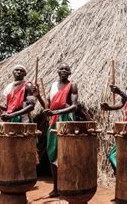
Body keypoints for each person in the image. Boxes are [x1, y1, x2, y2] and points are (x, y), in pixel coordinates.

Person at [40, 63, 78, 198]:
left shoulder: (72, 85)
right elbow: (47, 106)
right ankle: (56, 188)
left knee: (66, 153)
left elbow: (74, 106)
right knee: (52, 153)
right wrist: (38, 96)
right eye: (61, 69)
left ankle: (69, 185)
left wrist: (56, 111)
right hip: (53, 120)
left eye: (66, 69)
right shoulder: (52, 86)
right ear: (57, 71)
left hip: (66, 120)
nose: (63, 71)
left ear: (70, 72)